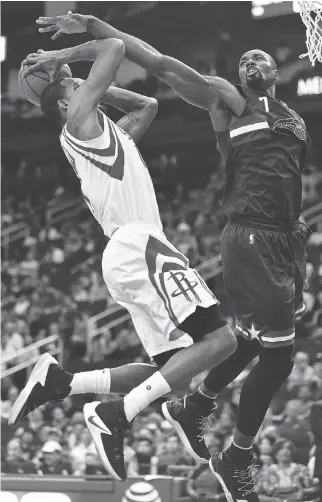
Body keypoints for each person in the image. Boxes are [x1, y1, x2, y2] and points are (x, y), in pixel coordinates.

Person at [33, 11, 310, 502]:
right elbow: (155, 63)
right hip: (209, 237)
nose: (253, 59)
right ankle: (178, 427)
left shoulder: (292, 119)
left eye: (260, 55)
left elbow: (146, 104)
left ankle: (75, 384)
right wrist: (96, 32)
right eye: (245, 56)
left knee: (190, 360)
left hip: (273, 237)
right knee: (251, 348)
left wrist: (78, 75)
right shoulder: (226, 100)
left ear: (277, 69)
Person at [10, 29, 237, 483]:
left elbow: (146, 105)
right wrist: (63, 59)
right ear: (64, 105)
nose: (86, 84)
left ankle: (64, 383)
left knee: (170, 371)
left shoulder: (102, 132)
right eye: (77, 88)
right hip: (140, 244)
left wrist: (73, 81)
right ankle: (115, 415)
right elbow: (112, 48)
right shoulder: (77, 123)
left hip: (127, 251)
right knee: (222, 342)